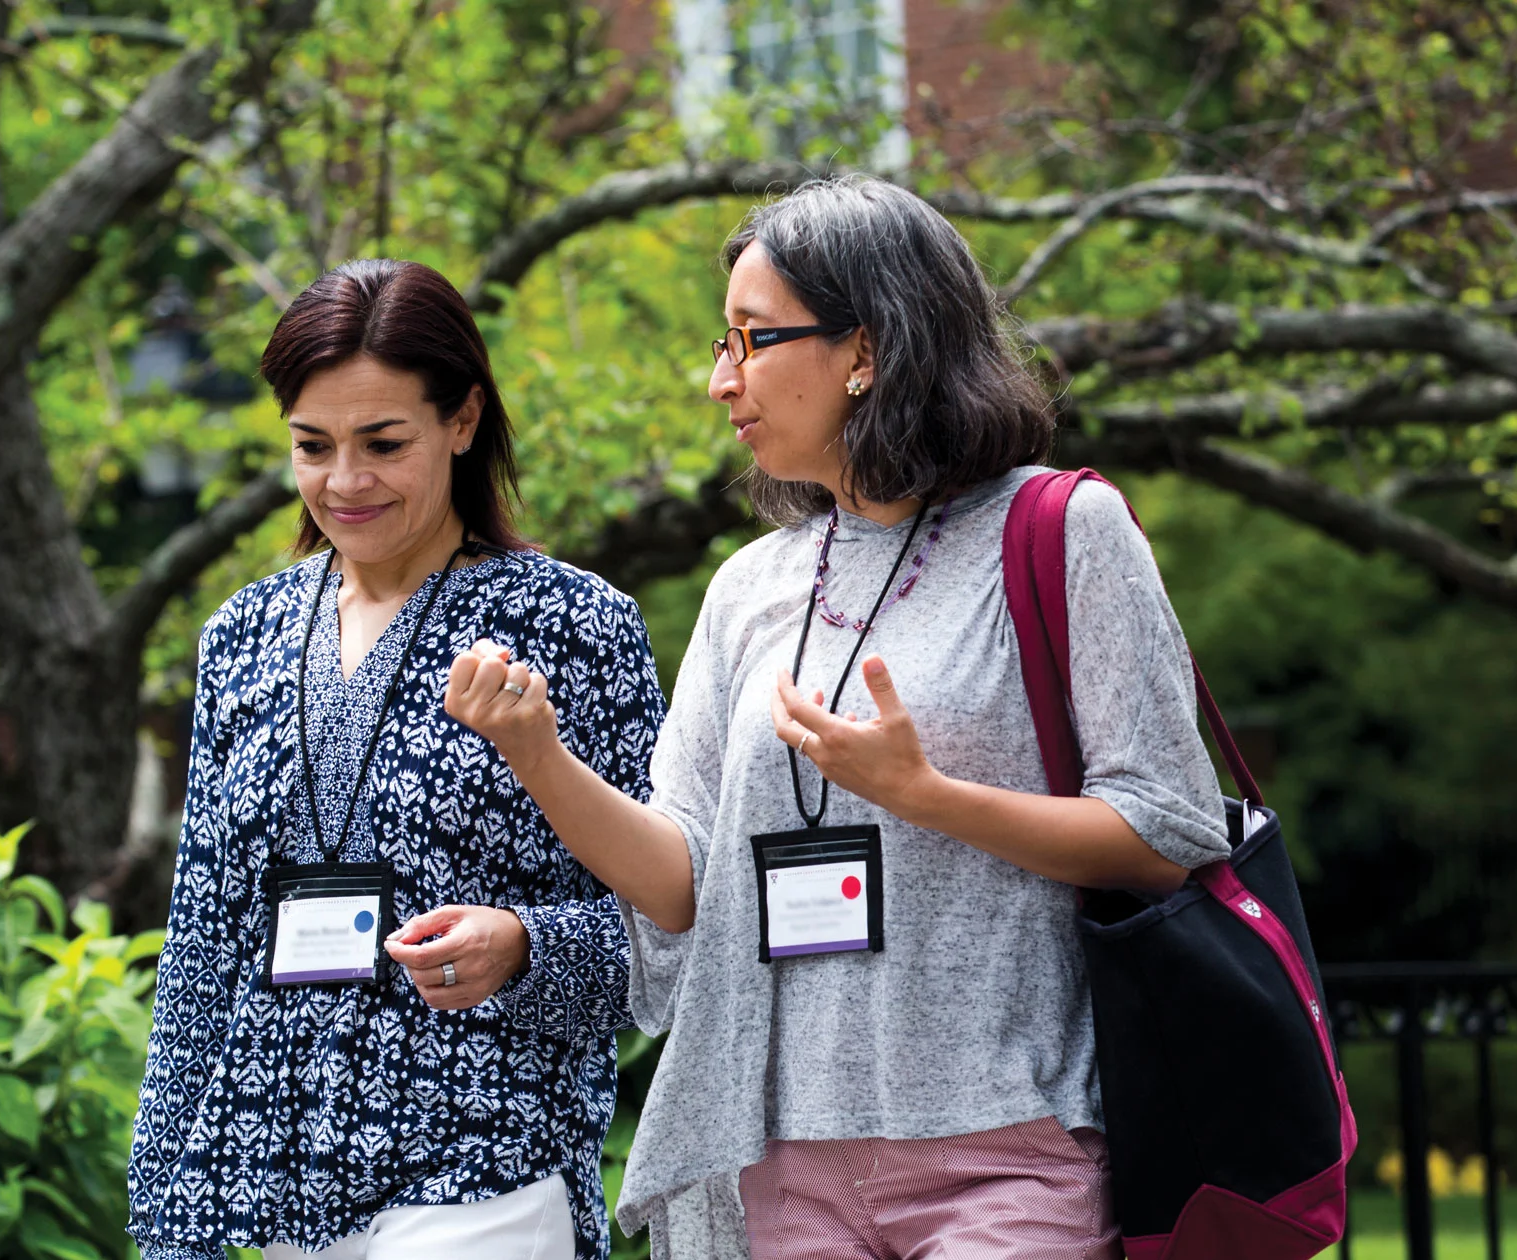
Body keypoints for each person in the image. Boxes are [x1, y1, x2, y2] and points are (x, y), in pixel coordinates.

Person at [442, 175, 1232, 1259]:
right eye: (723, 343)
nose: (720, 379)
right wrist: (537, 753)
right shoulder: (748, 588)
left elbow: (1166, 832)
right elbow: (683, 882)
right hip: (786, 1161)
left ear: (865, 349)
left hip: (1007, 1145)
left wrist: (927, 798)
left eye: (752, 339)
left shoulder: (1065, 531)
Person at [126, 259, 666, 1260]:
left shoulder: (575, 624)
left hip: (483, 1172)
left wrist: (524, 945)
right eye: (311, 446)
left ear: (462, 421)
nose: (344, 482)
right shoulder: (239, 636)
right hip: (265, 1189)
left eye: (382, 443)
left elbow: (672, 932)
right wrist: (165, 1213)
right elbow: (200, 947)